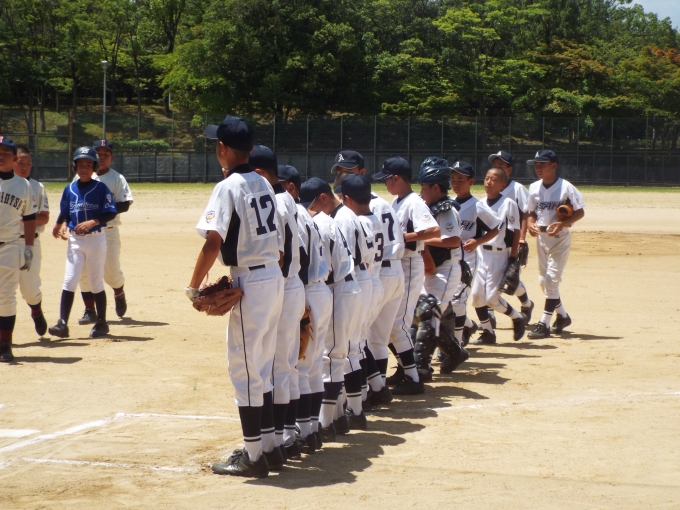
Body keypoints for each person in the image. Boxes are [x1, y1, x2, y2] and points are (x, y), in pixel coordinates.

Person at [187, 116, 283, 478]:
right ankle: (270, 448)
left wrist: (193, 287)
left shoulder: (227, 187)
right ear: (252, 149)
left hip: (251, 282)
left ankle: (253, 457)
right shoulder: (263, 182)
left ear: (222, 148)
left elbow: (213, 242)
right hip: (272, 277)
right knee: (263, 367)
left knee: (244, 370)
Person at [330, 151, 403, 405]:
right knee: (360, 343)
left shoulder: (351, 218)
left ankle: (358, 400)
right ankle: (376, 389)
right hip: (373, 279)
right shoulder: (371, 215)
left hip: (365, 281)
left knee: (353, 345)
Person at [249, 145, 305, 467]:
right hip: (293, 284)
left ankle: (277, 441)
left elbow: (280, 254)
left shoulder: (275, 201)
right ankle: (287, 437)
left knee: (275, 369)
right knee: (286, 367)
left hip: (282, 286)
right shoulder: (288, 201)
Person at [299, 177, 360, 442]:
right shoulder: (330, 220)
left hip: (339, 288)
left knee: (331, 358)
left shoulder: (321, 223)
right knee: (334, 356)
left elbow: (328, 267)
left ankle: (325, 424)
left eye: (310, 204)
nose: (309, 209)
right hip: (347, 286)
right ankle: (336, 418)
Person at [373, 157, 440, 395]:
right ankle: (405, 370)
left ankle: (414, 377)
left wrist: (403, 238)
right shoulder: (397, 201)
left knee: (398, 324)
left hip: (410, 263)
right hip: (399, 264)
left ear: (397, 178)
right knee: (389, 324)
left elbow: (433, 230)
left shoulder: (414, 202)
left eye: (387, 180)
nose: (385, 184)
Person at [278, 164, 331, 452]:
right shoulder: (306, 215)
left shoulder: (294, 214)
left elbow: (300, 258)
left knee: (297, 368)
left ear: (291, 187)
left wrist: (300, 305)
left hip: (306, 291)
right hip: (318, 290)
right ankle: (311, 431)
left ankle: (290, 435)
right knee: (311, 367)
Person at [48, 147, 117, 340]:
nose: (84, 168)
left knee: (95, 281)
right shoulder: (69, 188)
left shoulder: (101, 188)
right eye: (80, 164)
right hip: (75, 240)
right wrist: (58, 224)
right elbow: (65, 210)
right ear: (75, 167)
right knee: (70, 279)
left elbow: (111, 212)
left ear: (94, 167)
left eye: (88, 164)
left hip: (96, 239)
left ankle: (102, 322)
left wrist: (93, 221)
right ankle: (62, 323)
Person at [414, 158, 468, 378]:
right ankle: (455, 352)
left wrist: (423, 241)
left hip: (446, 269)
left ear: (435, 188)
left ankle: (422, 367)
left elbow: (453, 240)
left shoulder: (447, 209)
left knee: (430, 314)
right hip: (430, 268)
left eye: (424, 187)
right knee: (420, 313)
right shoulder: (427, 206)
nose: (421, 192)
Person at [525, 150, 585, 339]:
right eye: (536, 165)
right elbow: (530, 212)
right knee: (543, 282)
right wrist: (530, 224)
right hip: (541, 239)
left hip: (560, 238)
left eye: (542, 164)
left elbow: (580, 212)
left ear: (554, 166)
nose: (538, 168)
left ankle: (544, 324)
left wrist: (563, 223)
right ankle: (563, 316)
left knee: (551, 280)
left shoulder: (566, 187)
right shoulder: (534, 187)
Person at [337, 174, 381, 427]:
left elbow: (344, 255)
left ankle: (353, 408)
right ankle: (360, 398)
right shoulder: (366, 218)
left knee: (350, 347)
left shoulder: (346, 216)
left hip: (356, 279)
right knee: (356, 344)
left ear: (346, 198)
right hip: (368, 277)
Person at [77, 140, 133, 324]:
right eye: (98, 154)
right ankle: (89, 310)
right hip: (85, 232)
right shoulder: (80, 177)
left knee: (111, 274)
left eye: (106, 154)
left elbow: (125, 204)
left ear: (112, 157)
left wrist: (100, 213)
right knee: (83, 272)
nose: (101, 157)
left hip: (108, 231)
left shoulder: (117, 178)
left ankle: (118, 291)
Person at [470, 168, 526, 345]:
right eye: (487, 178)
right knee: (476, 297)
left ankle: (517, 317)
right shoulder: (479, 203)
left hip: (500, 255)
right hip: (481, 254)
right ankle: (488, 332)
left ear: (502, 184)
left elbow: (515, 231)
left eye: (494, 179)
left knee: (491, 300)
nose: (488, 182)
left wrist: (513, 258)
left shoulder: (508, 204)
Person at [448, 161, 500, 348]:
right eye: (453, 180)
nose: (456, 184)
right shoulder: (448, 204)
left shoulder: (477, 206)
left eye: (460, 180)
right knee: (447, 300)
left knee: (457, 300)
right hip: (449, 259)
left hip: (468, 259)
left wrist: (478, 241)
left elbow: (496, 228)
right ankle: (469, 325)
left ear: (471, 182)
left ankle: (456, 344)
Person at [0, 137, 37, 362]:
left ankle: (5, 344)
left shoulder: (23, 185)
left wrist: (29, 247)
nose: (1, 155)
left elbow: (30, 218)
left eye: (6, 152)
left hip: (9, 246)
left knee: (6, 296)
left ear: (14, 158)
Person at [489, 150, 534, 324]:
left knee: (510, 278)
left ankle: (526, 304)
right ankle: (489, 316)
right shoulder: (491, 187)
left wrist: (522, 238)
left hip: (511, 240)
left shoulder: (517, 189)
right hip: (493, 240)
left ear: (509, 169)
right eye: (495, 165)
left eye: (501, 165)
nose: (497, 168)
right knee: (490, 278)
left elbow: (526, 213)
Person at [13, 146, 49, 336]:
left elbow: (44, 218)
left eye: (28, 163)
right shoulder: (4, 186)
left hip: (30, 242)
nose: (25, 167)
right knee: (4, 289)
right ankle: (5, 336)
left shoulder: (37, 187)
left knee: (30, 289)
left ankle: (36, 310)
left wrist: (24, 218)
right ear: (12, 162)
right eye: (21, 163)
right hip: (6, 243)